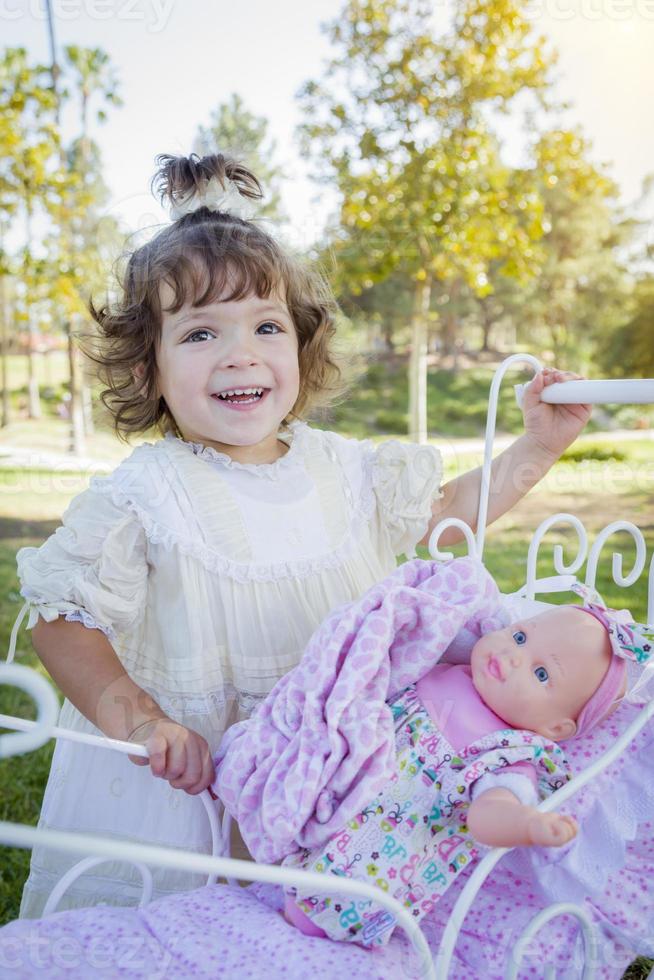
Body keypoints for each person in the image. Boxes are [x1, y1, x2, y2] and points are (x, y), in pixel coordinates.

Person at [11, 152, 591, 917]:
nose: (239, 352)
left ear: (301, 346)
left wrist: (535, 451)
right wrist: (141, 718)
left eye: (266, 326)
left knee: (315, 927)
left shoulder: (345, 469)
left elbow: (448, 513)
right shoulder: (147, 494)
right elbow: (63, 622)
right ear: (148, 367)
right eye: (198, 335)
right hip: (197, 777)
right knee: (191, 929)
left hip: (334, 766)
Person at [279, 592, 649, 947]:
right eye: (520, 636)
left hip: (378, 854)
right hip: (333, 796)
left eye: (540, 674)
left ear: (556, 728)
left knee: (321, 907)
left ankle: (314, 919)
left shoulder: (510, 752)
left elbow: (489, 812)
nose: (513, 656)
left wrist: (524, 822)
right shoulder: (452, 664)